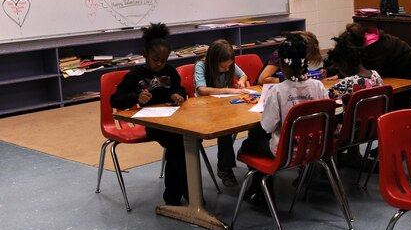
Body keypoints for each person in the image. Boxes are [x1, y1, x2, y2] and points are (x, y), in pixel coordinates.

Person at [239, 35, 328, 205]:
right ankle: (260, 190)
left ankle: (262, 190)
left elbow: (267, 126)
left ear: (282, 65)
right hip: (314, 147)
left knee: (249, 143)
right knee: (259, 138)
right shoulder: (318, 86)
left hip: (286, 151)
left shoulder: (278, 91)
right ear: (305, 62)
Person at [110, 23, 188, 206]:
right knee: (179, 146)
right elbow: (116, 100)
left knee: (183, 144)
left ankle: (177, 196)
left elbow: (180, 89)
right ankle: (182, 195)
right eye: (156, 60)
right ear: (144, 55)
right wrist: (136, 97)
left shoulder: (170, 71)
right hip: (153, 124)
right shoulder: (135, 75)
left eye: (164, 60)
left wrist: (179, 95)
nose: (160, 64)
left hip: (176, 120)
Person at [194, 39, 251, 187]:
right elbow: (202, 90)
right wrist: (228, 89)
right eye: (223, 67)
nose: (227, 70)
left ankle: (238, 159)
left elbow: (243, 75)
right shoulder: (201, 66)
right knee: (225, 131)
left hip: (225, 105)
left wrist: (242, 81)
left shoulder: (227, 63)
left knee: (252, 120)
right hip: (205, 109)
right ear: (214, 61)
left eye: (229, 66)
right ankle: (224, 169)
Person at [326, 30, 384, 101]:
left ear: (344, 64)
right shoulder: (376, 75)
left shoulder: (347, 83)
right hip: (377, 112)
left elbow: (327, 96)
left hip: (354, 112)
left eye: (339, 68)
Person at [257, 31, 323, 85]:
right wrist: (292, 80)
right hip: (267, 88)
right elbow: (262, 80)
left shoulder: (299, 55)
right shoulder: (281, 54)